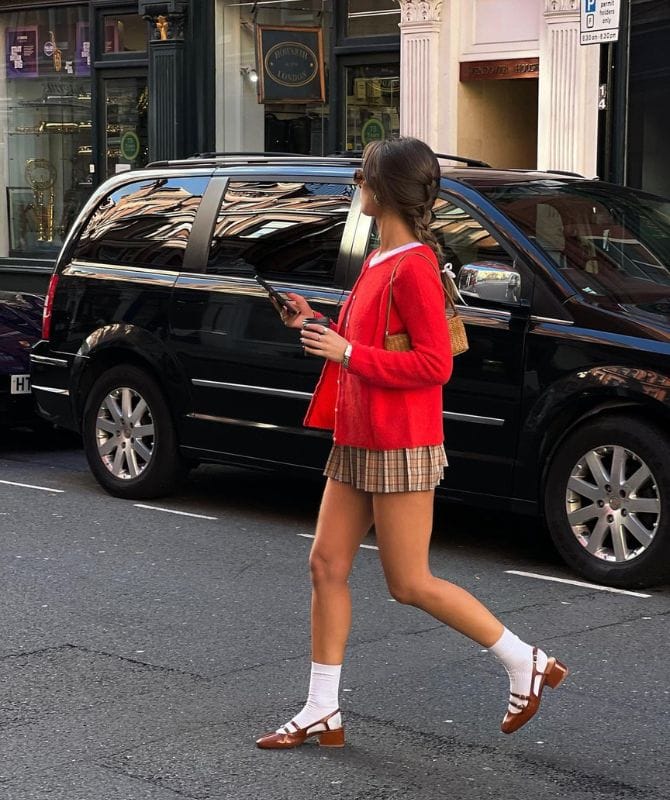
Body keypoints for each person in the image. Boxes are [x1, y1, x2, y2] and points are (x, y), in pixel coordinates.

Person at [256, 137, 567, 749]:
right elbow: (369, 342)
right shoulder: (378, 259)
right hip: (359, 434)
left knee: (410, 582)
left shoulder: (416, 266)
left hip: (400, 441)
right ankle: (322, 707)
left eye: (364, 173)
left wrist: (347, 351)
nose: (356, 181)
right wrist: (315, 324)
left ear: (386, 189)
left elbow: (433, 364)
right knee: (325, 565)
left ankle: (522, 659)